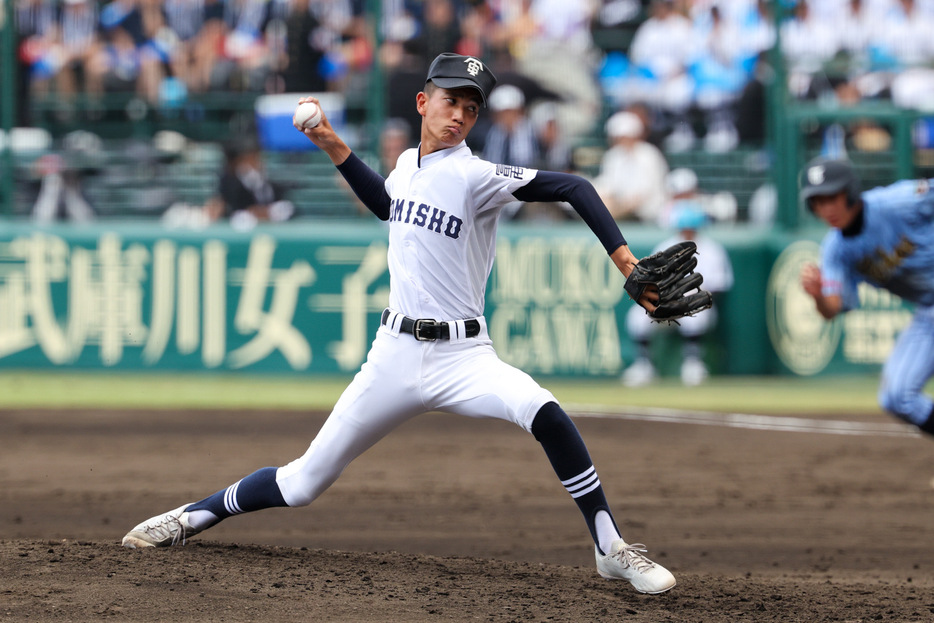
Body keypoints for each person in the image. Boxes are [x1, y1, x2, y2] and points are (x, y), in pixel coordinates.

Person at [120, 52, 678, 595]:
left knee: (544, 411)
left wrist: (626, 262)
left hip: (465, 357)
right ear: (422, 101)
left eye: (470, 108)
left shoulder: (476, 175)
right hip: (393, 355)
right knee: (303, 482)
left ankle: (610, 547)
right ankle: (193, 515)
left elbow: (574, 188)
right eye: (449, 100)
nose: (459, 114)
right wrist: (332, 143)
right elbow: (389, 204)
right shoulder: (408, 166)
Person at [799, 156, 934, 438]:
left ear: (849, 192)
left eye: (831, 197)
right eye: (818, 202)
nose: (826, 209)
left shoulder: (896, 202)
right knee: (897, 397)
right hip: (929, 310)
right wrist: (817, 297)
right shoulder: (836, 250)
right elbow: (833, 307)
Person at [621, 203, 733, 387]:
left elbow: (719, 287)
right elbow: (649, 282)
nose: (687, 230)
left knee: (696, 315)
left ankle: (693, 364)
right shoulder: (665, 246)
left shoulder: (713, 250)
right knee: (636, 316)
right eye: (684, 227)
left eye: (690, 227)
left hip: (696, 302)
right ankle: (643, 365)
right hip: (665, 303)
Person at [593, 110, 669, 223]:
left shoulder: (649, 155)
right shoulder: (613, 156)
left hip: (647, 212)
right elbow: (607, 184)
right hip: (620, 207)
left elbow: (645, 193)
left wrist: (619, 207)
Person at [204, 138, 295, 229]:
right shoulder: (231, 181)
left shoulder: (265, 179)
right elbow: (231, 205)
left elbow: (279, 201)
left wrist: (266, 210)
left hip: (269, 218)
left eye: (255, 158)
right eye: (250, 158)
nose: (254, 161)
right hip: (244, 220)